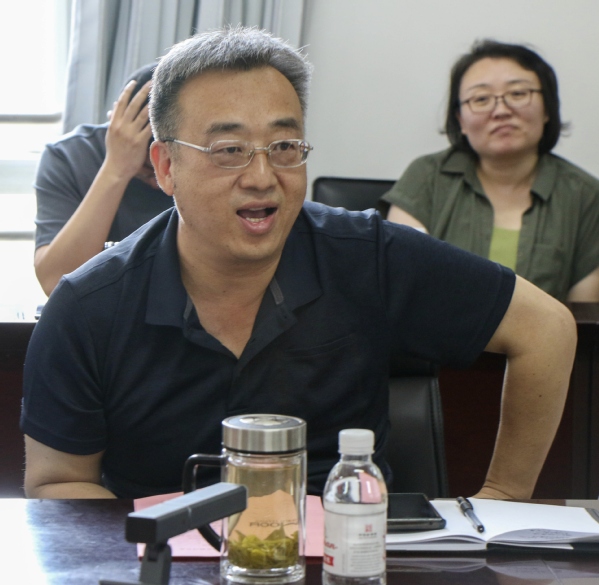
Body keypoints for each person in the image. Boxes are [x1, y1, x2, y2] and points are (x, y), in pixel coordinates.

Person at [21, 27, 576, 501]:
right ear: (166, 168)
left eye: (285, 147)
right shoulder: (89, 305)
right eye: (229, 150)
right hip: (164, 561)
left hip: (344, 556)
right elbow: (58, 482)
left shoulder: (368, 255)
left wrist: (502, 500)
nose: (263, 177)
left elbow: (547, 328)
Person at [383, 40, 599, 303]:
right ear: (461, 120)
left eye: (518, 93)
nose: (501, 110)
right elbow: (403, 287)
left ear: (547, 109)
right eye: (481, 99)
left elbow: (583, 317)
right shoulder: (426, 178)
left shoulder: (585, 196)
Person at [33, 63, 174, 296]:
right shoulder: (68, 156)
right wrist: (116, 168)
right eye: (147, 168)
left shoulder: (208, 155)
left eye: (167, 166)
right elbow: (55, 282)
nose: (157, 180)